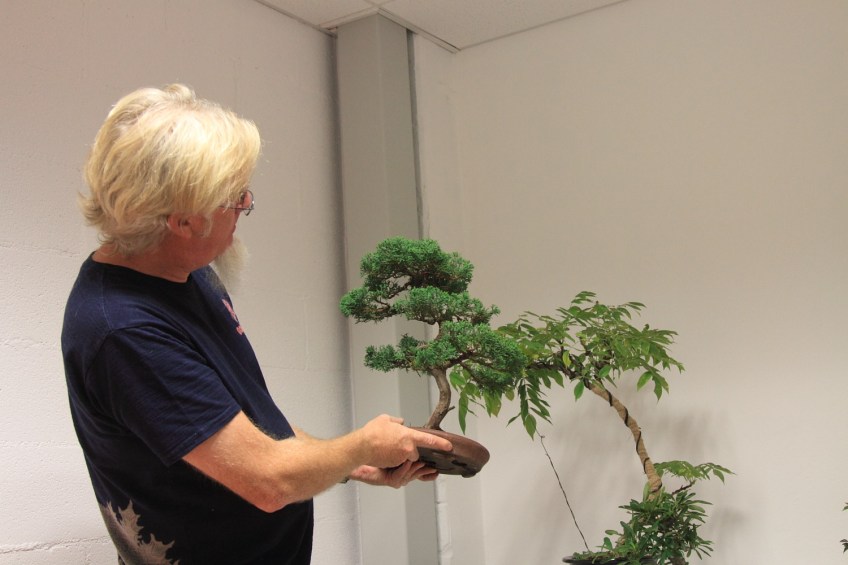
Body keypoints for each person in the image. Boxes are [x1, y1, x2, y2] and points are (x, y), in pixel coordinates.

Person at [61, 84, 452, 565]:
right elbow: (268, 482)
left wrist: (352, 462)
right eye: (234, 198)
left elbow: (247, 425)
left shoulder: (190, 275)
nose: (245, 203)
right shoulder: (125, 332)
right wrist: (362, 444)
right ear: (184, 221)